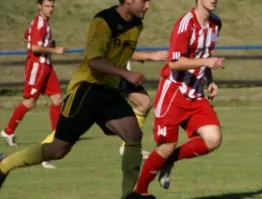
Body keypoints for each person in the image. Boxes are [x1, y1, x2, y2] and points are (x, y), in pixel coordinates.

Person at [0, 0, 157, 199]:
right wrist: (126, 76)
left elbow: (120, 55)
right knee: (58, 149)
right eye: (144, 0)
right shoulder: (103, 21)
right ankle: (4, 164)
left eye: (149, 1)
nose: (147, 6)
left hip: (109, 91)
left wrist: (130, 75)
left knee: (133, 133)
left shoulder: (137, 25)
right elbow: (94, 60)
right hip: (86, 89)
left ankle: (128, 197)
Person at [134, 0, 225, 198]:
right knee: (165, 145)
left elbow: (205, 54)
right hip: (173, 92)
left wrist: (210, 79)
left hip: (195, 93)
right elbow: (175, 62)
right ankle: (140, 193)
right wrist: (206, 63)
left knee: (213, 139)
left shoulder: (215, 23)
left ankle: (169, 161)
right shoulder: (185, 24)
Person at [38, 48, 169, 169]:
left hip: (117, 73)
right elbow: (117, 50)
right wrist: (151, 55)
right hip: (104, 77)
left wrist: (138, 53)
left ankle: (128, 147)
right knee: (79, 119)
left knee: (144, 102)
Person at [1, 0, 66, 169]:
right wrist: (54, 49)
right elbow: (34, 47)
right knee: (29, 102)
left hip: (46, 66)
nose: (50, 9)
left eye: (52, 6)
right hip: (37, 66)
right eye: (47, 6)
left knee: (57, 99)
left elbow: (27, 37)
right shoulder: (39, 23)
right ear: (39, 6)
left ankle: (56, 136)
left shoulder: (43, 23)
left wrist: (47, 45)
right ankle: (8, 131)